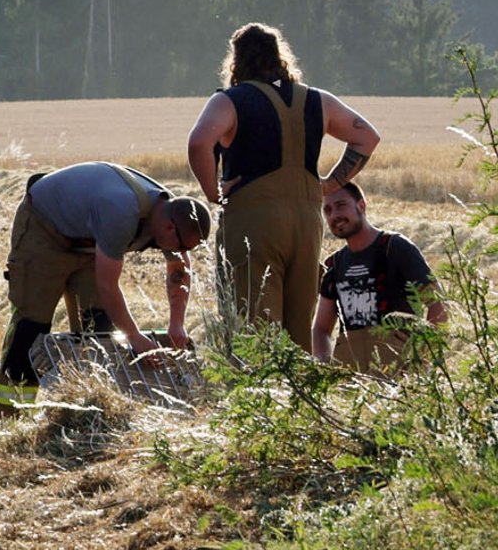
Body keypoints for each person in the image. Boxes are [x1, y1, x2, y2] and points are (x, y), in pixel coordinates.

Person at [187, 22, 381, 349]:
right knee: (298, 330)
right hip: (306, 225)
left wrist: (213, 193)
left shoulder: (229, 101)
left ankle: (259, 397)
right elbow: (367, 137)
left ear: (236, 61)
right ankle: (298, 396)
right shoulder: (319, 101)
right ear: (280, 56)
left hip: (253, 223)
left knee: (253, 329)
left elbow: (198, 144)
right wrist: (329, 184)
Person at [0, 162, 213, 417]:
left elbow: (179, 271)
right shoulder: (121, 211)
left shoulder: (171, 212)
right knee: (31, 331)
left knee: (98, 331)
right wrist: (135, 337)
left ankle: (86, 417)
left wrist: (177, 324)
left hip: (89, 243)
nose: (180, 253)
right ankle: (7, 419)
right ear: (169, 227)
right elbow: (108, 286)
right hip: (45, 230)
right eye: (181, 246)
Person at [312, 181, 447, 374]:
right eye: (327, 210)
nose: (334, 215)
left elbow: (438, 306)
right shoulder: (334, 264)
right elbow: (321, 329)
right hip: (352, 380)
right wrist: (325, 370)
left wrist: (421, 359)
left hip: (398, 377)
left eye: (341, 205)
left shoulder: (396, 248)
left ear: (361, 206)